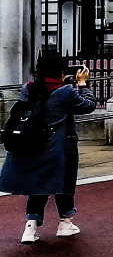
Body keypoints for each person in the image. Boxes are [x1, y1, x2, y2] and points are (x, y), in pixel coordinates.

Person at [5, 50, 95, 242]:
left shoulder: (27, 88)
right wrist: (82, 84)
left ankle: (30, 227)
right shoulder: (65, 92)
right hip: (61, 144)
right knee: (64, 182)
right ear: (61, 72)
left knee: (38, 184)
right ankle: (65, 221)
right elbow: (88, 106)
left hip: (34, 142)